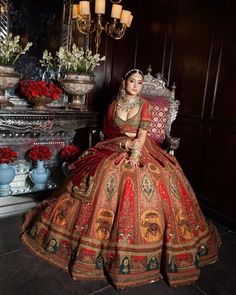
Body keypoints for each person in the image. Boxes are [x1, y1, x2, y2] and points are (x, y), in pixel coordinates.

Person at [20, 69, 220, 289]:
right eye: (132, 81)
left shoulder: (144, 105)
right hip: (115, 146)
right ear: (124, 82)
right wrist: (123, 144)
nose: (136, 85)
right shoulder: (113, 105)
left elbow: (143, 134)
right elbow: (109, 133)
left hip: (142, 149)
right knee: (105, 171)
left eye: (139, 83)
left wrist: (134, 153)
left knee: (146, 177)